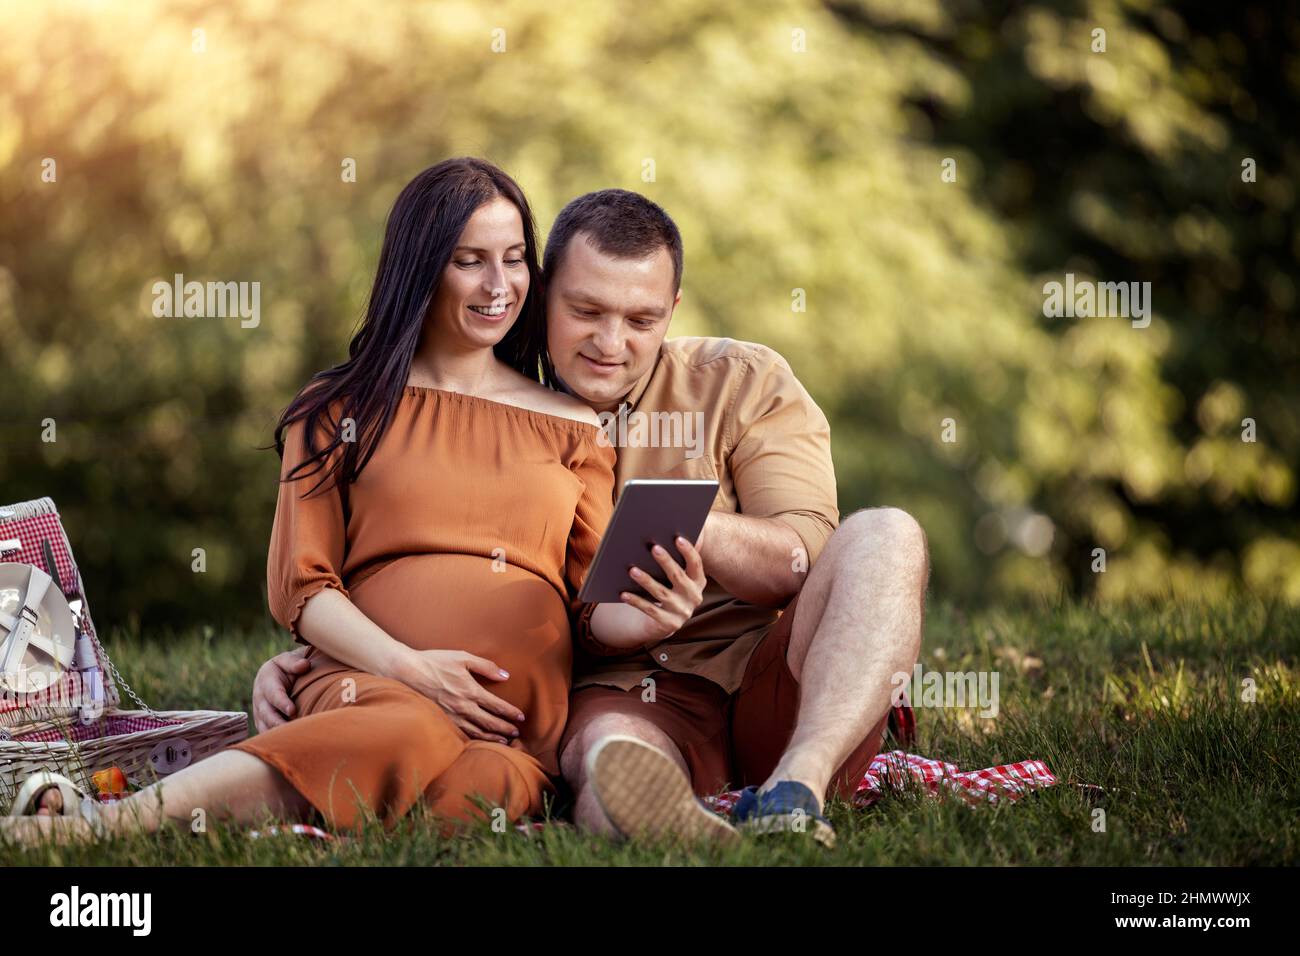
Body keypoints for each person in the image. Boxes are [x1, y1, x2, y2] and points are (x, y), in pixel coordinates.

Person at [1, 160, 707, 845]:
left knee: (482, 790)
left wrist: (651, 616)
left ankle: (296, 799)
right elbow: (303, 589)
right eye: (471, 261)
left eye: (516, 258)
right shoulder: (339, 408)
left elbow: (592, 611)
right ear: (421, 266)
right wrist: (414, 670)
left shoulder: (576, 427)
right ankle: (110, 824)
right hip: (371, 684)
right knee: (411, 729)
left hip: (512, 723)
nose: (500, 285)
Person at [254, 189, 930, 848]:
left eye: (642, 321)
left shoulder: (740, 380)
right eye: (586, 311)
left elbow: (801, 560)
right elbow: (423, 563)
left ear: (673, 309)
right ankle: (669, 819)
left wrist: (680, 518)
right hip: (622, 695)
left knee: (886, 533)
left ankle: (796, 790)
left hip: (775, 682)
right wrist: (318, 660)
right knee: (611, 754)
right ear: (541, 294)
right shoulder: (494, 407)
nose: (611, 343)